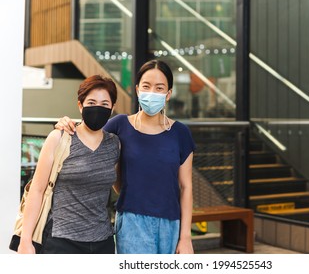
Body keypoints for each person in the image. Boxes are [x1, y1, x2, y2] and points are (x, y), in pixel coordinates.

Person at [56, 60, 196, 254]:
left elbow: (186, 186)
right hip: (131, 222)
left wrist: (186, 237)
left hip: (171, 224)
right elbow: (87, 133)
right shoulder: (120, 125)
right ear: (137, 90)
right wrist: (65, 123)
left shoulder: (180, 133)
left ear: (168, 94)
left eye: (159, 88)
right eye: (146, 86)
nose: (152, 92)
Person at [18, 75, 120, 254]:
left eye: (104, 104)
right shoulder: (59, 138)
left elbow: (119, 185)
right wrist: (25, 240)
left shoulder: (114, 144)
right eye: (91, 102)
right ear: (80, 105)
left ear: (112, 108)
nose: (98, 108)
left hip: (102, 242)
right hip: (61, 241)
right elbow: (37, 190)